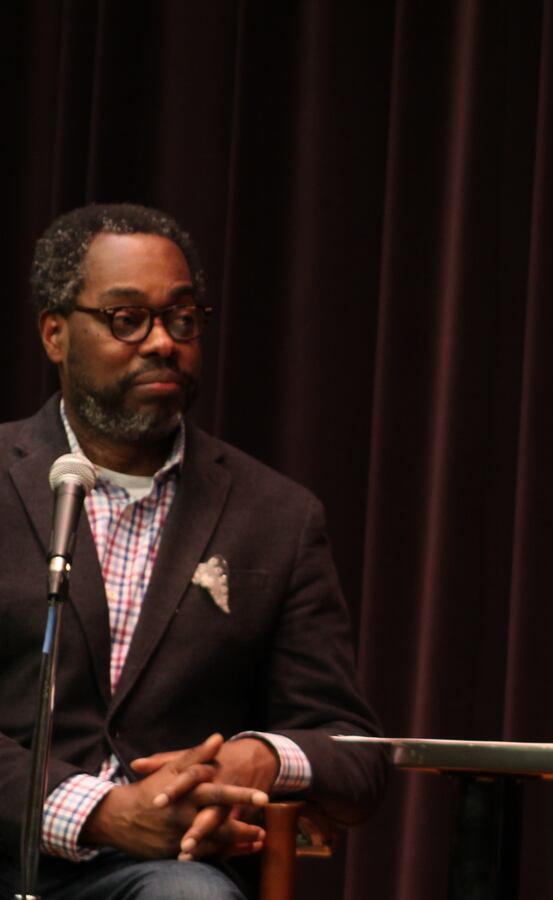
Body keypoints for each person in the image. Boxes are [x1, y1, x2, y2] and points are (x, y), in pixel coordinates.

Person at [0, 204, 388, 898]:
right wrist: (100, 812)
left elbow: (354, 756)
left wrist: (264, 758)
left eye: (182, 319)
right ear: (55, 334)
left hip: (157, 876)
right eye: (127, 319)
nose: (161, 343)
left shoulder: (278, 517)